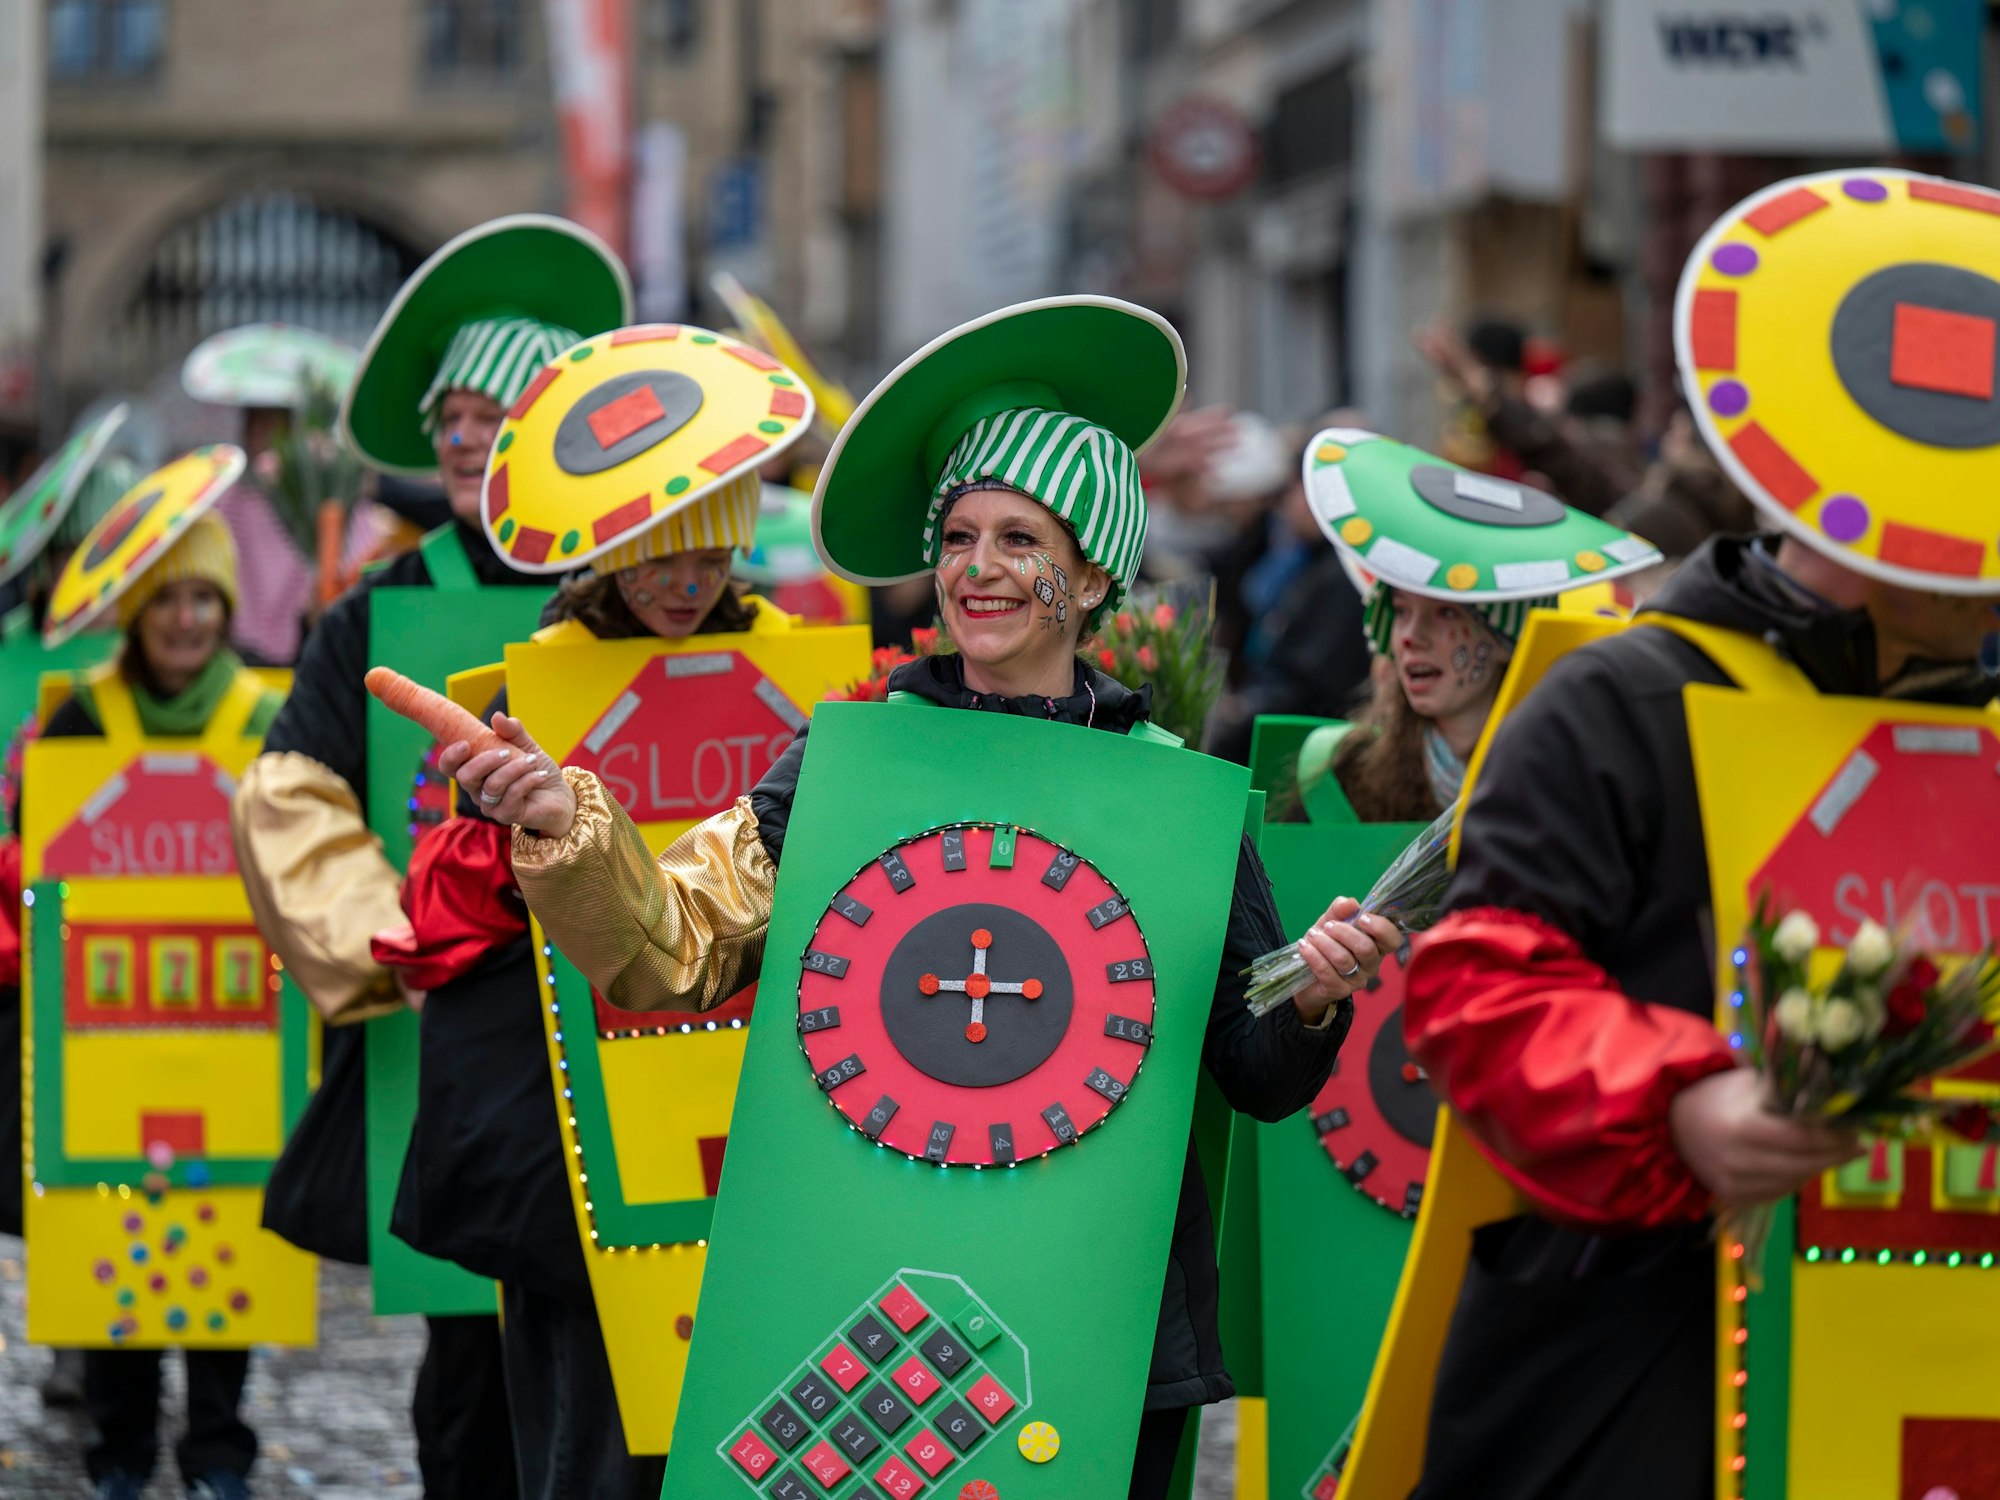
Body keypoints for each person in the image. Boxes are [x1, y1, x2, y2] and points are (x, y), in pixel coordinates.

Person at [418, 295, 1402, 1500]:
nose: (976, 570)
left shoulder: (1169, 792)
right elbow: (674, 949)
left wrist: (1313, 994)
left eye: (1019, 541)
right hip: (874, 1296)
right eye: (957, 537)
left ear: (1091, 576)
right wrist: (566, 824)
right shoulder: (845, 761)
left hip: (1105, 1320)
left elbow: (1251, 1070)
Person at [1394, 169, 2000, 1499]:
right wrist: (1683, 1100)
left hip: (1942, 1381)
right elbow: (1479, 987)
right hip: (1643, 1363)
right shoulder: (1626, 699)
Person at [374, 321, 819, 1498]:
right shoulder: (525, 686)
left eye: (708, 560)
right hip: (565, 1119)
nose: (684, 584)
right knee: (587, 1429)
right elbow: (438, 916)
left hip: (748, 1090)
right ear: (612, 555)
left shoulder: (812, 675)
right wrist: (507, 820)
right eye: (660, 559)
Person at [230, 214, 630, 1500]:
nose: (465, 438)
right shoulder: (379, 613)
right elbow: (291, 794)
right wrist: (384, 947)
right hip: (463, 1039)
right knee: (473, 1352)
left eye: (497, 413)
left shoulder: (653, 592)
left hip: (636, 1026)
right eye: (452, 417)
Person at [31, 479, 285, 1500]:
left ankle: (219, 1446)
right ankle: (119, 1451)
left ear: (228, 613)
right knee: (107, 1231)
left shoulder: (264, 713)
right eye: (168, 599)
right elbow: (35, 851)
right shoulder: (82, 716)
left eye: (205, 601)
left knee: (233, 1232)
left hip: (240, 1029)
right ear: (136, 612)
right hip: (103, 1030)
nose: (187, 620)